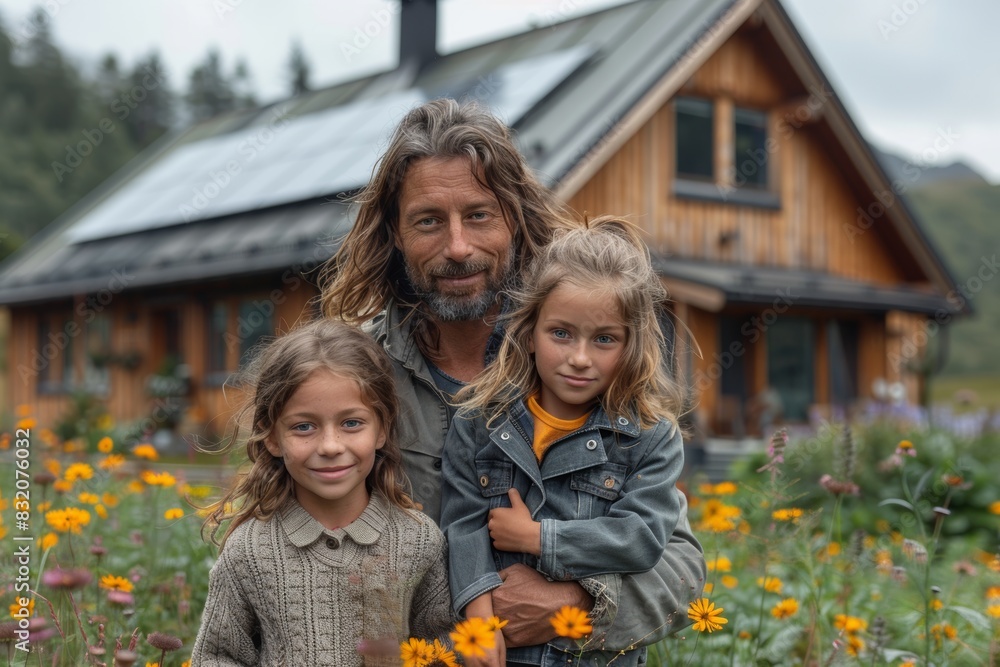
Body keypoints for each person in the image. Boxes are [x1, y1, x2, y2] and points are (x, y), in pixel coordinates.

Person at [320, 98, 705, 651]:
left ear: (516, 220)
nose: (457, 247)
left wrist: (575, 607)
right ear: (395, 235)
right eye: (429, 221)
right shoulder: (353, 378)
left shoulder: (583, 370)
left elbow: (681, 567)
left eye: (478, 215)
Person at [440, 218, 686, 666]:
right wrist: (477, 619)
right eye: (561, 333)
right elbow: (463, 525)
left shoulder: (651, 439)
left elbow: (641, 537)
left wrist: (539, 538)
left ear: (631, 347)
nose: (579, 358)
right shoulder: (478, 422)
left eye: (604, 339)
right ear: (529, 332)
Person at [191, 319, 452, 666]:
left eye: (351, 423)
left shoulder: (418, 541)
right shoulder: (249, 550)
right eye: (304, 427)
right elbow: (217, 657)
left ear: (382, 429)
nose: (330, 446)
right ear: (272, 437)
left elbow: (441, 652)